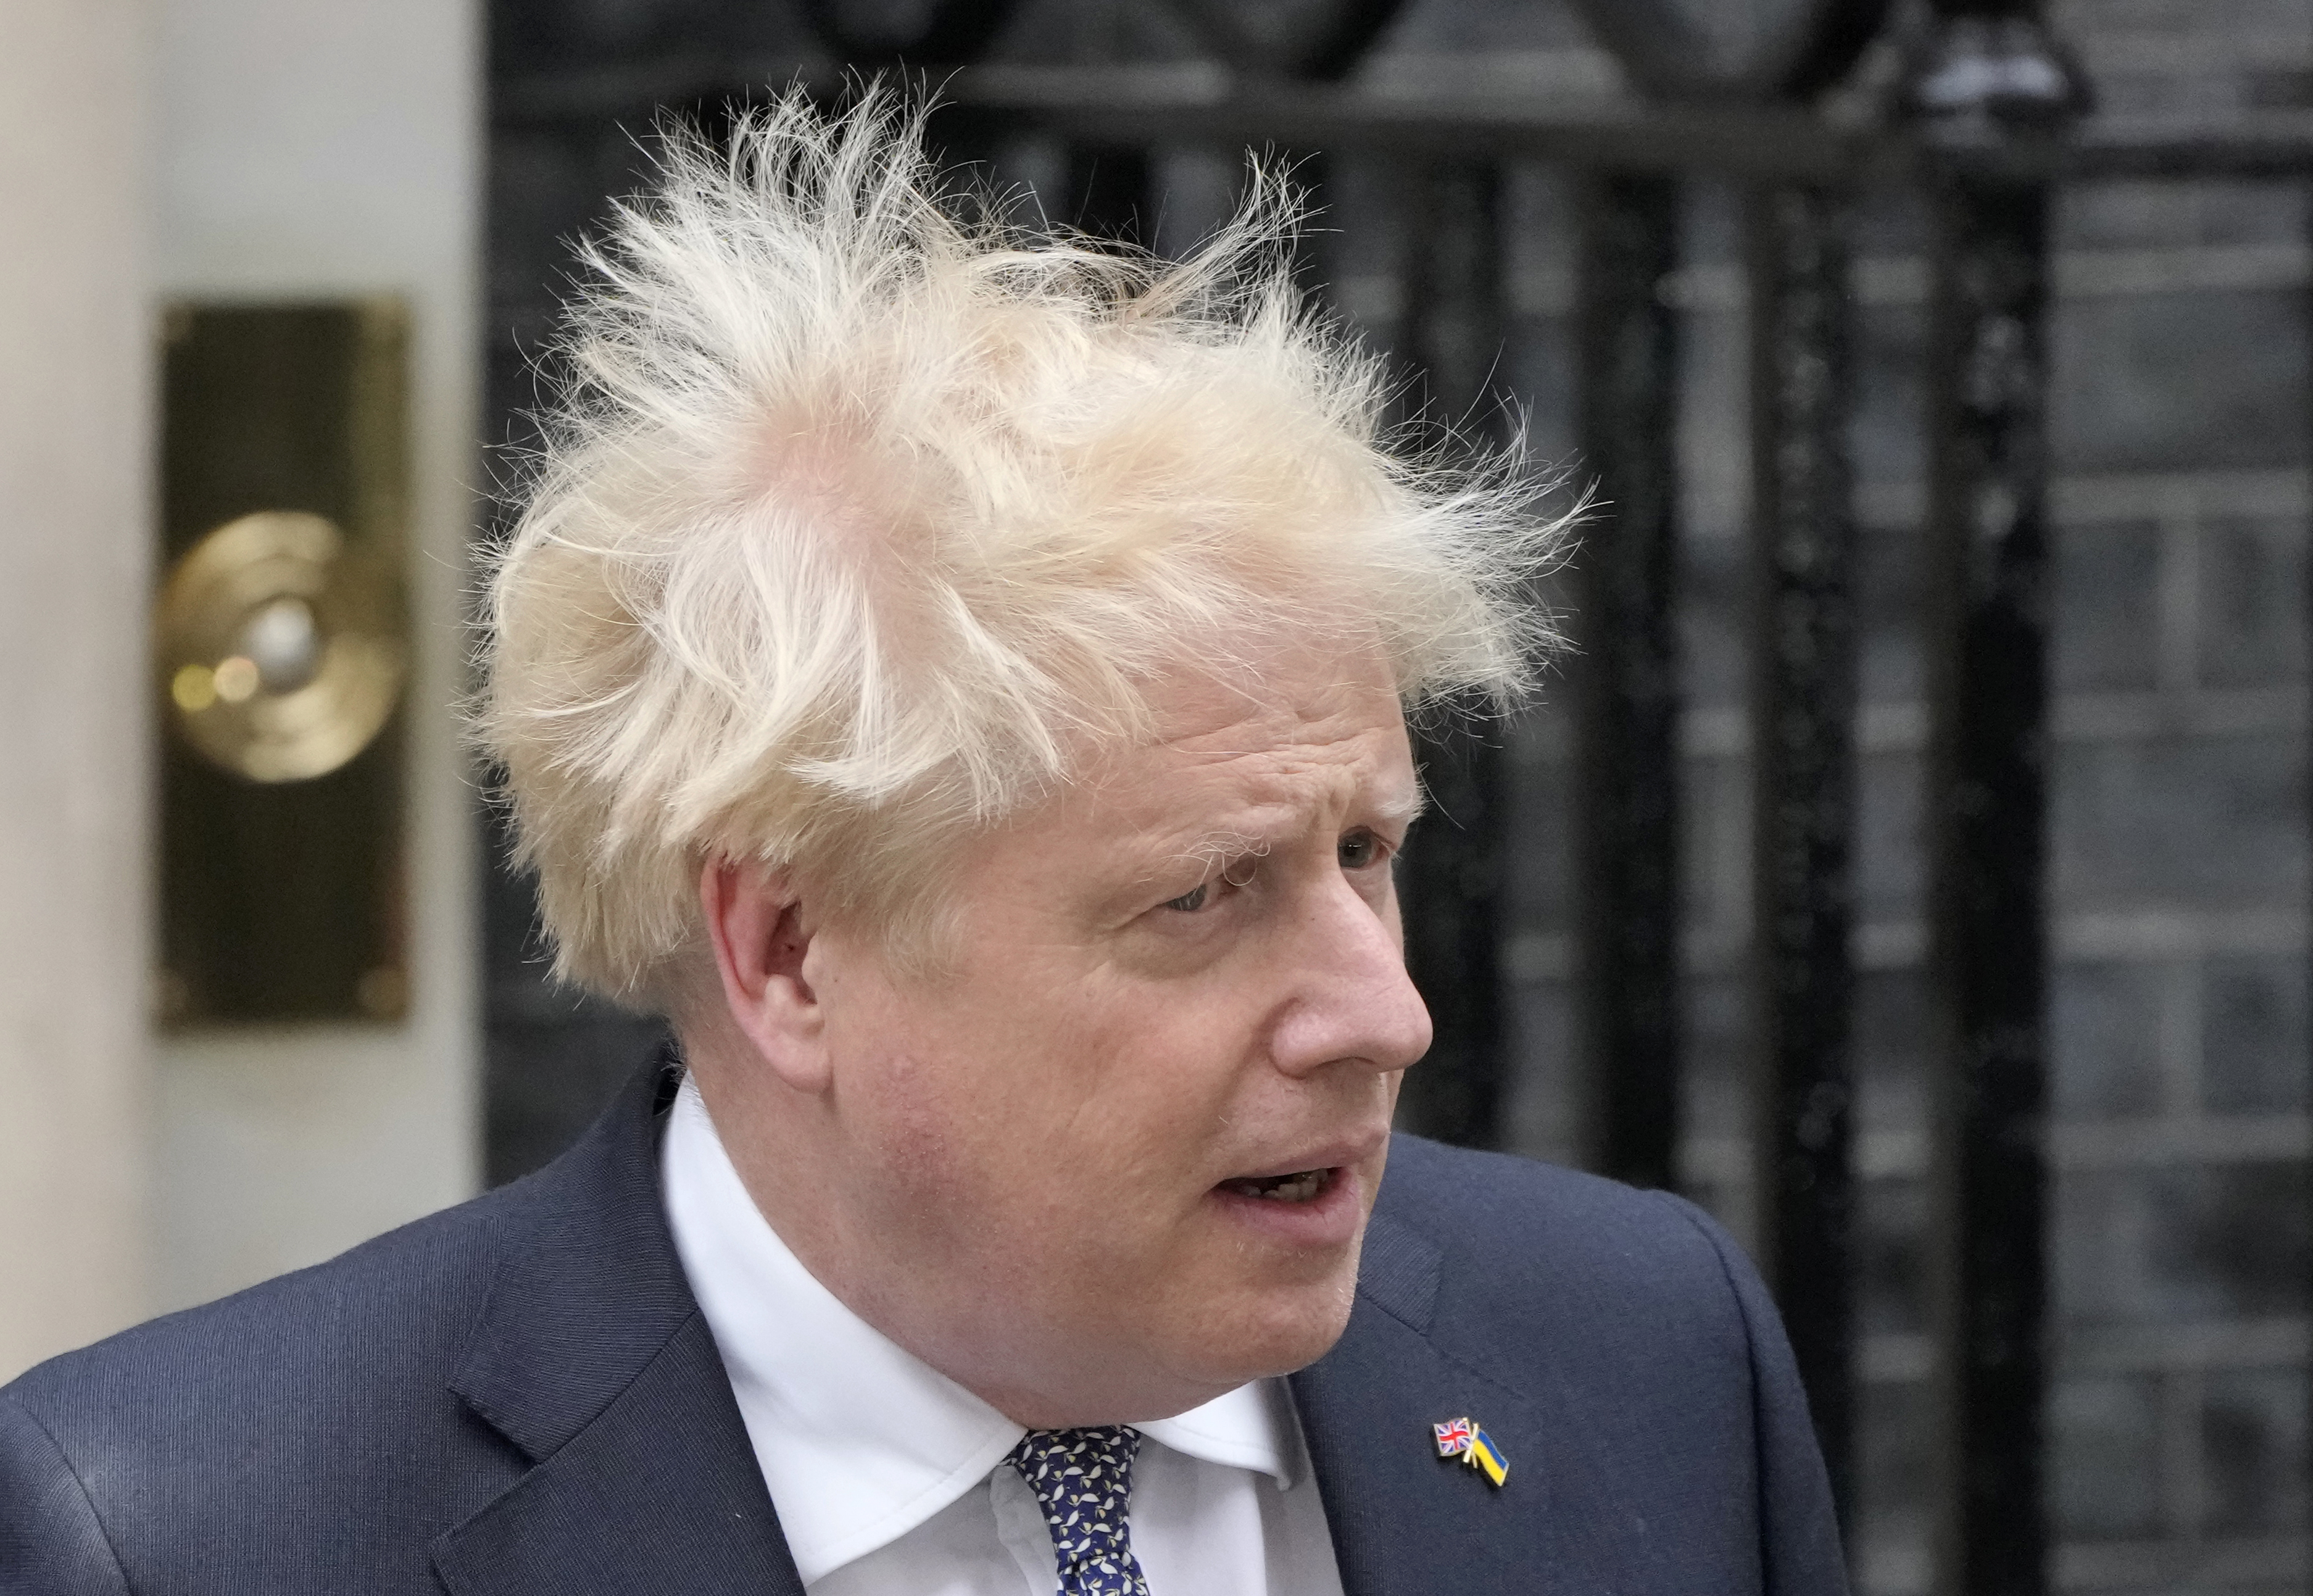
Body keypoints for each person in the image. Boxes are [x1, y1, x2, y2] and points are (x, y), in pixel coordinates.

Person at [0, 91, 1844, 1595]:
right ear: (787, 951)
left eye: (1364, 850)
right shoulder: (188, 1531)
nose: (1385, 1014)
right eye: (1203, 894)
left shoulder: (1645, 1354)